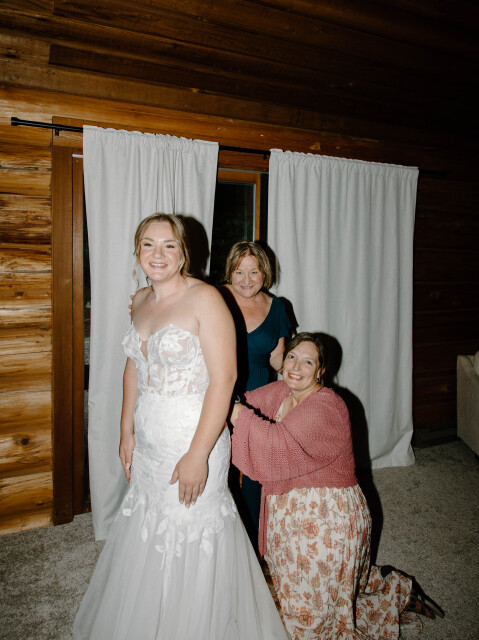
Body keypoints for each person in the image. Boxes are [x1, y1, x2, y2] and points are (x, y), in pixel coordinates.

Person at [73, 214, 288, 640]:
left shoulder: (207, 299)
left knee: (191, 531)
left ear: (183, 252)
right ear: (137, 251)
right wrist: (125, 430)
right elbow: (134, 367)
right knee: (148, 524)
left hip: (194, 438)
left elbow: (225, 380)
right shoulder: (140, 301)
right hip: (150, 443)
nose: (158, 254)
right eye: (148, 244)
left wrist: (197, 456)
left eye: (169, 245)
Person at [229, 332, 444, 640]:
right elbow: (246, 402)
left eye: (308, 362)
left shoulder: (327, 407)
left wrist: (231, 407)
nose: (296, 367)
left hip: (328, 527)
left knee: (308, 628)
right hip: (289, 524)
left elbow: (275, 446)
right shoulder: (281, 391)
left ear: (321, 371)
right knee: (279, 608)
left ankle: (395, 593)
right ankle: (385, 584)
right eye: (292, 357)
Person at [218, 241, 290, 549]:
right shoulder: (215, 297)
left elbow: (277, 359)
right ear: (230, 272)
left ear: (265, 273)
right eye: (239, 272)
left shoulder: (277, 307)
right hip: (221, 394)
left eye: (254, 272)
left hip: (260, 397)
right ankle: (221, 541)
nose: (246, 280)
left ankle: (252, 543)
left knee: (256, 471)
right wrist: (144, 295)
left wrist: (300, 373)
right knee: (221, 468)